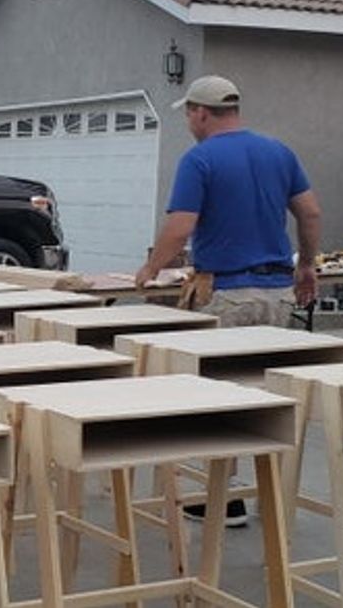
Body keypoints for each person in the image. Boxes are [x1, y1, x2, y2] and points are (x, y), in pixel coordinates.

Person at [135, 74, 321, 526]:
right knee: (266, 395)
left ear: (200, 112)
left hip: (229, 296)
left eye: (188, 114)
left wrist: (150, 270)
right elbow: (310, 213)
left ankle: (224, 500)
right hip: (278, 293)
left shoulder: (200, 160)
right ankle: (271, 496)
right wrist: (307, 266)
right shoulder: (279, 152)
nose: (189, 121)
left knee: (220, 398)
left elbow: (181, 227)